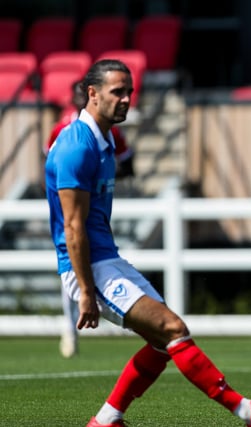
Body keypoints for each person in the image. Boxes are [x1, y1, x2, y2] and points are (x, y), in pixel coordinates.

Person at [45, 59, 251, 427]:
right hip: (91, 269)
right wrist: (84, 292)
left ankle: (106, 420)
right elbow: (73, 228)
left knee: (164, 342)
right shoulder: (76, 147)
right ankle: (247, 411)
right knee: (173, 330)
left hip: (104, 260)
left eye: (130, 91)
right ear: (92, 93)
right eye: (118, 92)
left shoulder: (106, 137)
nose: (127, 99)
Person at [46, 80, 136, 358]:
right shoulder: (64, 130)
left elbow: (129, 164)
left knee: (89, 261)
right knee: (73, 263)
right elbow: (52, 168)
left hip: (99, 205)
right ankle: (70, 327)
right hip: (72, 206)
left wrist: (102, 177)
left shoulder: (110, 132)